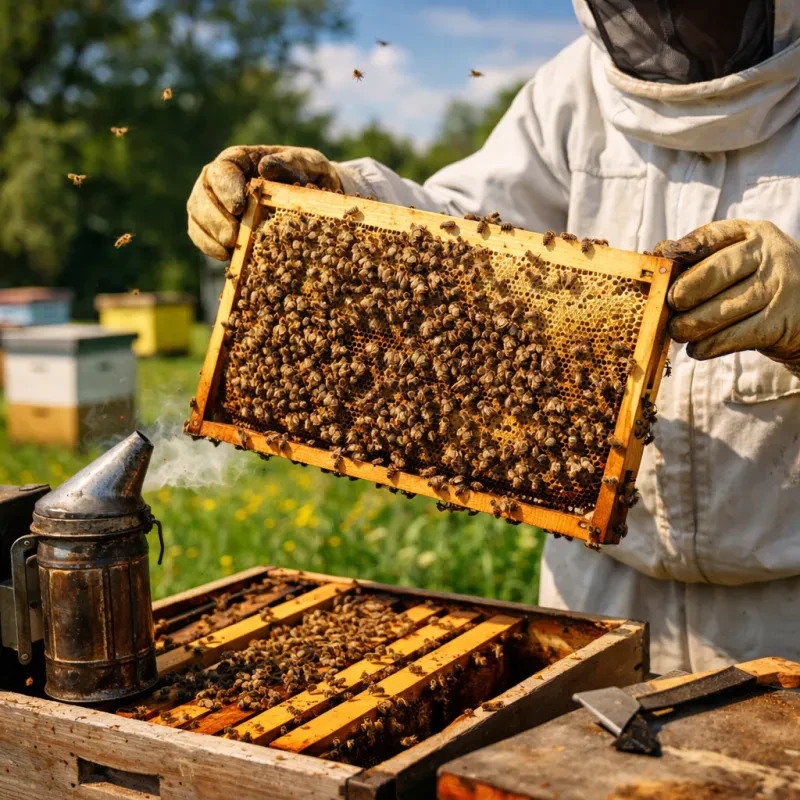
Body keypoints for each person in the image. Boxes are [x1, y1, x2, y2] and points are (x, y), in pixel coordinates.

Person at [187, 0, 800, 673]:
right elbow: (461, 239)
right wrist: (332, 197)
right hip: (599, 602)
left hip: (785, 620)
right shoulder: (572, 91)